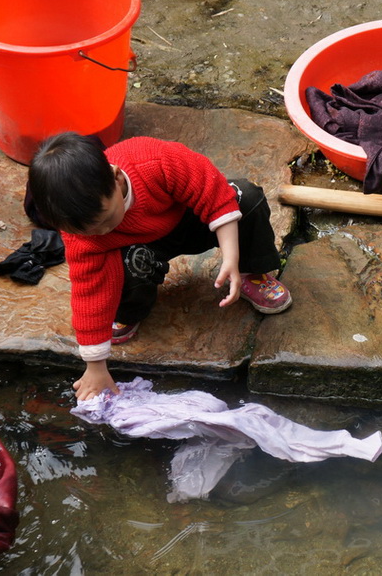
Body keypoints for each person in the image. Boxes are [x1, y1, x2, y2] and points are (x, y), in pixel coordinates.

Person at [28, 133, 292, 400]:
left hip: (189, 220)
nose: (102, 231)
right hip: (141, 250)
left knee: (245, 196)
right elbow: (89, 291)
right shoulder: (83, 237)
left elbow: (213, 193)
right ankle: (130, 310)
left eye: (106, 220)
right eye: (91, 231)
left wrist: (231, 259)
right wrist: (95, 366)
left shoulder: (153, 159)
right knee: (125, 268)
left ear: (117, 178)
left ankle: (250, 272)